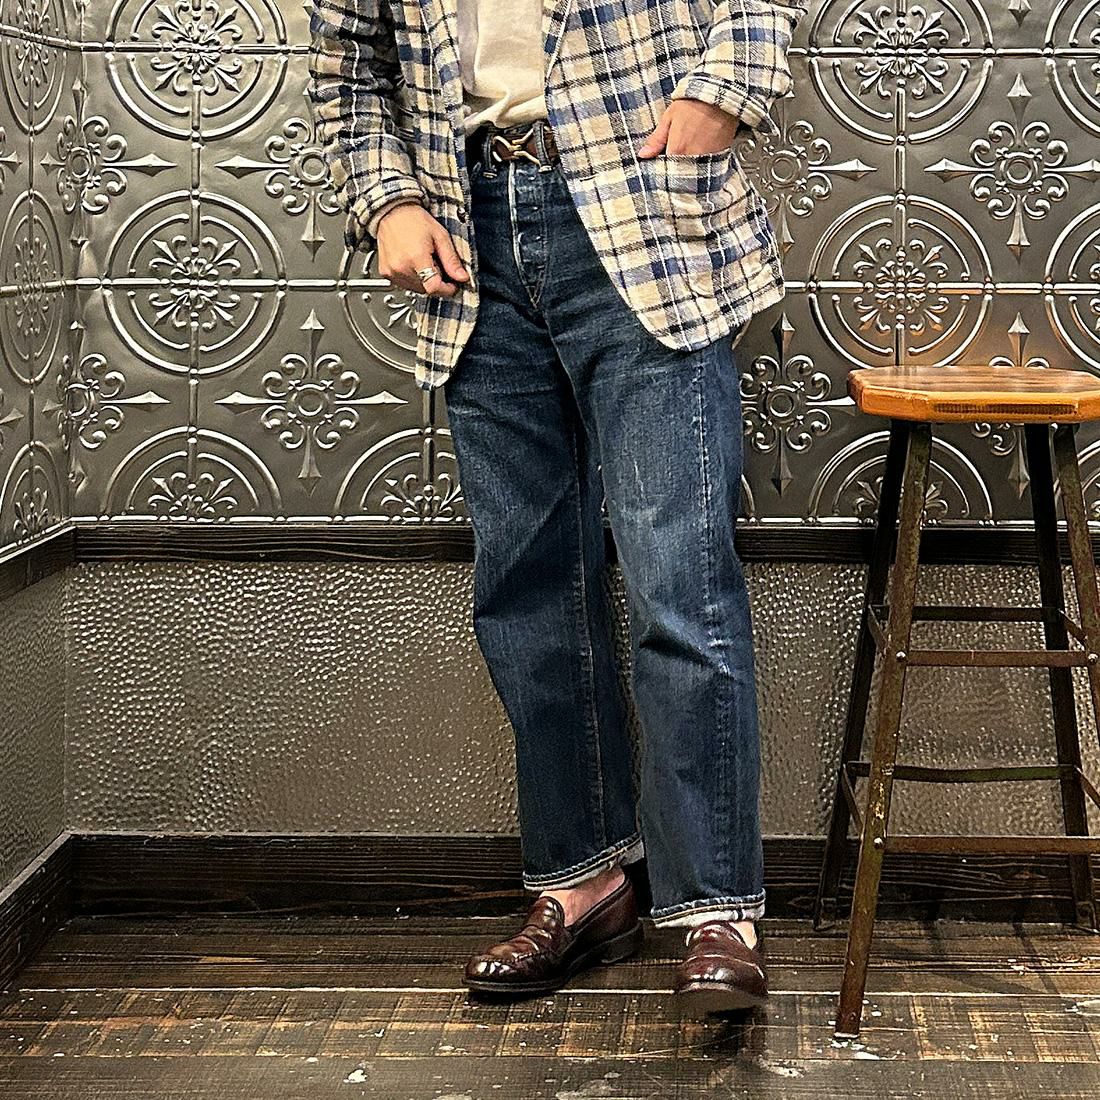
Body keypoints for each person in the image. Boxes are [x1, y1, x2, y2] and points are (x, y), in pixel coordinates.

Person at [307, 0, 805, 1014]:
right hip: (469, 226)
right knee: (526, 588)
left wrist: (726, 89)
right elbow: (347, 59)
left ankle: (716, 910)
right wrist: (386, 200)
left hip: (641, 205)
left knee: (679, 581)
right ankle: (584, 885)